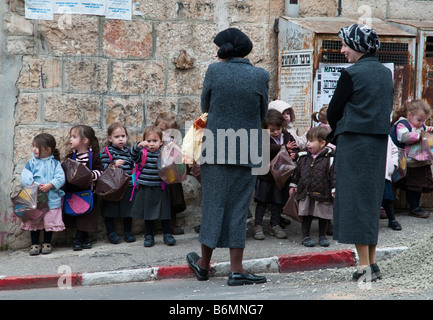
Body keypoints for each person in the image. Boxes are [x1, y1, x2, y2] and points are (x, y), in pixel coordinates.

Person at [186, 27, 269, 286]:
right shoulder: (260, 75)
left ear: (224, 50)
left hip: (217, 146)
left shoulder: (214, 71)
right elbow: (262, 111)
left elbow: (205, 107)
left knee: (213, 204)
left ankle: (203, 265)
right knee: (238, 208)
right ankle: (236, 269)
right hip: (246, 148)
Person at [327, 24, 394, 282]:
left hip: (354, 143)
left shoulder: (351, 74)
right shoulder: (385, 73)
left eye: (345, 44)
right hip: (378, 144)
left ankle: (364, 268)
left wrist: (341, 128)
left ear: (357, 46)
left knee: (354, 202)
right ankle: (373, 264)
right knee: (370, 201)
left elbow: (333, 112)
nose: (342, 50)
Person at [253, 109, 299, 240]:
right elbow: (265, 148)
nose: (276, 132)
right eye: (272, 130)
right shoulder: (263, 137)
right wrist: (283, 147)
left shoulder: (287, 135)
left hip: (281, 177)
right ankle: (258, 226)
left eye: (278, 129)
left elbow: (294, 147)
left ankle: (275, 225)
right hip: (265, 176)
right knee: (262, 201)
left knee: (277, 202)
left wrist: (293, 154)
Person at [289, 126, 335, 247]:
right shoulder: (303, 157)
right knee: (306, 214)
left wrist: (334, 189)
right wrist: (293, 185)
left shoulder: (330, 158)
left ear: (322, 143)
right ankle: (305, 236)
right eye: (307, 140)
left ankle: (322, 236)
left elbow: (334, 175)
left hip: (323, 192)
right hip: (306, 191)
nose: (307, 144)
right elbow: (297, 173)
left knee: (323, 215)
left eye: (311, 141)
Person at [130, 126, 175, 247]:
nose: (151, 144)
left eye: (154, 141)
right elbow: (132, 156)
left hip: (161, 187)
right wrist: (138, 146)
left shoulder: (163, 153)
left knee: (165, 212)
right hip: (146, 188)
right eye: (148, 141)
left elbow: (172, 161)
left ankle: (167, 234)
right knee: (148, 214)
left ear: (161, 142)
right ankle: (149, 235)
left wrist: (171, 147)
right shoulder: (142, 154)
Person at [21, 133, 66, 255]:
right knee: (34, 221)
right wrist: (35, 185)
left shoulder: (55, 164)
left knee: (49, 222)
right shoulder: (31, 163)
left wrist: (50, 185)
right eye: (33, 146)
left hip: (51, 200)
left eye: (37, 146)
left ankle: (47, 243)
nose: (34, 149)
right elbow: (25, 177)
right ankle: (34, 244)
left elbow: (61, 178)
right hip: (35, 199)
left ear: (48, 149)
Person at [391, 99, 433, 218]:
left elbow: (422, 130)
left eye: (423, 120)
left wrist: (427, 129)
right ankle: (414, 207)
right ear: (409, 115)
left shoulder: (419, 125)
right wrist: (420, 134)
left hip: (420, 162)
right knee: (412, 185)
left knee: (418, 185)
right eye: (419, 120)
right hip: (409, 162)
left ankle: (416, 207)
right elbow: (404, 137)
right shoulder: (402, 124)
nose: (421, 123)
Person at [63, 125, 103, 251]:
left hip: (89, 193)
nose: (70, 139)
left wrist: (91, 175)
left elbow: (101, 171)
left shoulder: (94, 156)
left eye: (74, 137)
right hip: (74, 193)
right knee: (78, 217)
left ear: (85, 141)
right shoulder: (70, 157)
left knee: (86, 217)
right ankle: (85, 239)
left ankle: (78, 239)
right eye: (70, 136)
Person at [100, 123, 136, 244]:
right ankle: (111, 232)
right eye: (117, 137)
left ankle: (128, 232)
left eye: (123, 136)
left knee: (128, 210)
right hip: (113, 187)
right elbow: (103, 168)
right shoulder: (107, 152)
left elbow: (134, 165)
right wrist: (113, 165)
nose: (120, 139)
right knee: (110, 209)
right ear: (110, 138)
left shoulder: (129, 151)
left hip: (128, 185)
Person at [155, 112, 187, 235]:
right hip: (156, 178)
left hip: (171, 178)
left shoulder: (174, 145)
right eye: (162, 130)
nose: (165, 134)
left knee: (172, 200)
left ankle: (172, 224)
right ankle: (152, 226)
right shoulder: (153, 142)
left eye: (169, 132)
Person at [383, 136, 402, 230]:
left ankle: (392, 220)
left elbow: (394, 150)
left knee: (387, 199)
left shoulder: (387, 136)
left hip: (384, 173)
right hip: (370, 173)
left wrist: (393, 164)